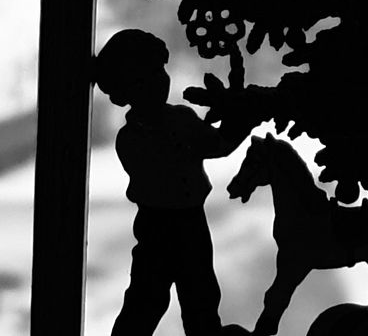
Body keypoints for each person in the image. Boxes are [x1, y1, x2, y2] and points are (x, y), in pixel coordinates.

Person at [91, 27, 254, 336]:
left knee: (196, 295)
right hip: (168, 225)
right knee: (153, 298)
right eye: (154, 74)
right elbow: (215, 145)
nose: (163, 80)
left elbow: (215, 145)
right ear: (133, 87)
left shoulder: (148, 131)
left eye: (162, 72)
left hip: (174, 224)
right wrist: (240, 121)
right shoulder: (153, 131)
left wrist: (239, 122)